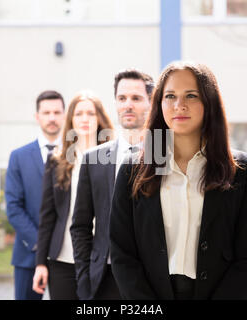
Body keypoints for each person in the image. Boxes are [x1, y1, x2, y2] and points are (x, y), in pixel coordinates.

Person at [110, 61, 247, 300]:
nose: (179, 105)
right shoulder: (133, 170)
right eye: (170, 96)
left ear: (209, 102)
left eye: (191, 96)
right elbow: (122, 254)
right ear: (159, 104)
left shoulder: (241, 170)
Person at [70, 69, 154, 300]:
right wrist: (84, 279)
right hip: (103, 281)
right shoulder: (93, 159)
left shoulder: (166, 157)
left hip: (151, 283)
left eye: (136, 98)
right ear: (115, 102)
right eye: (122, 98)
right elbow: (80, 226)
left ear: (150, 102)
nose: (128, 105)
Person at [32, 92, 114, 299]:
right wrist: (41, 263)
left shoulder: (114, 159)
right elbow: (48, 216)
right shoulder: (57, 160)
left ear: (100, 119)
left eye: (91, 113)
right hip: (63, 259)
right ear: (71, 120)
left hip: (103, 258)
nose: (85, 119)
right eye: (78, 114)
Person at [5, 90, 65, 300]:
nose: (52, 118)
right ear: (37, 116)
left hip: (67, 254)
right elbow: (13, 207)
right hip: (28, 254)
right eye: (46, 112)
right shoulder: (18, 157)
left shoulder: (75, 155)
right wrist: (40, 242)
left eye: (57, 112)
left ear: (64, 115)